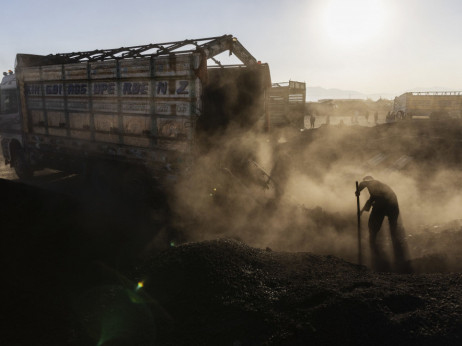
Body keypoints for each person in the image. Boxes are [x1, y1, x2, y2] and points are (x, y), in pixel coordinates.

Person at [356, 176, 412, 273]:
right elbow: (367, 191)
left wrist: (364, 209)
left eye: (368, 183)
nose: (367, 185)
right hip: (386, 204)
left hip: (390, 205)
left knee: (380, 226)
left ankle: (394, 252)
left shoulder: (378, 187)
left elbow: (373, 199)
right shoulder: (373, 187)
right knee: (377, 226)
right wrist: (358, 191)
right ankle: (377, 245)